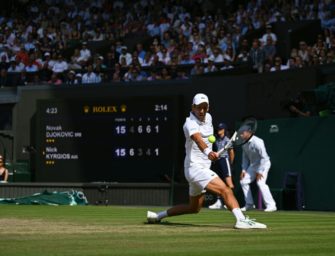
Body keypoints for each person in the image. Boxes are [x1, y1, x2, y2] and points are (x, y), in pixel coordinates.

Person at [147, 93, 267, 229]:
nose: (202, 111)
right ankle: (241, 220)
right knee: (225, 190)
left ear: (208, 107)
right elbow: (198, 139)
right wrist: (208, 152)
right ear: (193, 107)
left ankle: (157, 216)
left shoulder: (208, 118)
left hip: (200, 168)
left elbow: (207, 137)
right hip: (195, 168)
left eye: (204, 107)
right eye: (198, 107)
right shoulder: (189, 123)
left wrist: (213, 152)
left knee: (193, 208)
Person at [239, 125, 277, 212]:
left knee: (260, 183)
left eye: (242, 133)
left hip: (264, 164)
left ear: (249, 132)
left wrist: (260, 171)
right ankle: (249, 204)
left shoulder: (258, 142)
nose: (240, 135)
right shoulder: (243, 143)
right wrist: (243, 170)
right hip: (253, 165)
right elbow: (245, 158)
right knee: (243, 181)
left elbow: (264, 157)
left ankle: (271, 205)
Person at [208, 122, 235, 209]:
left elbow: (231, 152)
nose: (218, 130)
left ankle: (231, 202)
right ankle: (219, 202)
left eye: (220, 129)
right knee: (219, 183)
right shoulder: (216, 139)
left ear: (224, 130)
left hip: (225, 161)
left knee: (229, 183)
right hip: (218, 161)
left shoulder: (227, 140)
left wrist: (230, 163)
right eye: (218, 129)